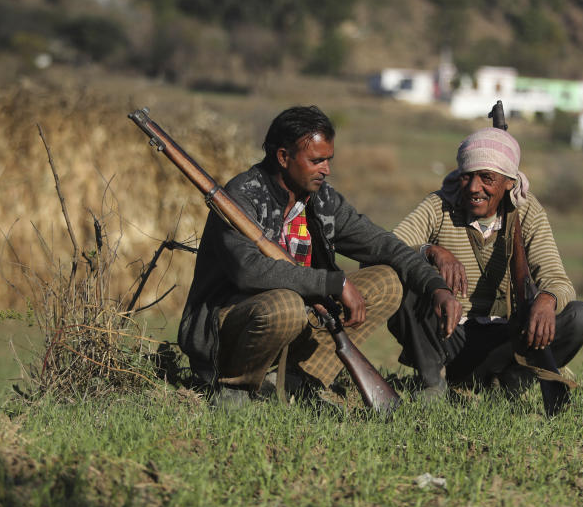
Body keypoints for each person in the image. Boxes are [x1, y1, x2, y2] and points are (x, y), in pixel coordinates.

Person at [180, 105, 462, 405]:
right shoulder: (241, 197)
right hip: (228, 328)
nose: (326, 169)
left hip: (297, 322)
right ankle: (236, 386)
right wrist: (332, 283)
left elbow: (383, 244)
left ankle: (295, 380)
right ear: (283, 157)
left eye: (328, 160)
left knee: (387, 282)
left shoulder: (323, 200)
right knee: (286, 304)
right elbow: (248, 271)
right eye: (316, 160)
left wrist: (436, 286)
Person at [389, 126, 583, 402]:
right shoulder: (439, 206)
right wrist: (430, 251)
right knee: (402, 279)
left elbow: (557, 279)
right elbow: (390, 248)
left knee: (581, 316)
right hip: (449, 337)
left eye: (486, 178)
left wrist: (547, 300)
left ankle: (514, 379)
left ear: (509, 182)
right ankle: (431, 382)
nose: (474, 188)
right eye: (467, 177)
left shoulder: (527, 211)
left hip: (506, 338)